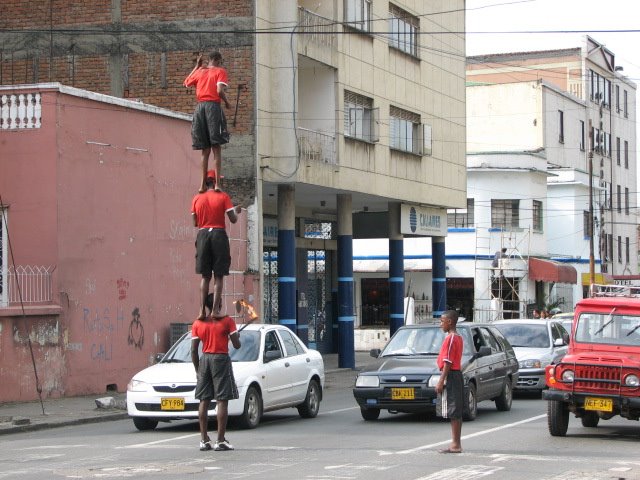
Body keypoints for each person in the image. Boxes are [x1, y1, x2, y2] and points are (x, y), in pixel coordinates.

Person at [191, 293, 241, 451]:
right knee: (222, 400)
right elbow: (237, 345)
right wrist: (235, 335)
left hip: (205, 359)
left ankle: (204, 439)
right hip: (220, 358)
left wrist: (198, 370)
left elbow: (193, 350)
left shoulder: (198, 323)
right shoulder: (227, 321)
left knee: (204, 400)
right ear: (218, 304)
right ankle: (220, 440)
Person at [191, 170, 242, 320]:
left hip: (202, 235)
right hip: (218, 234)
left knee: (205, 276)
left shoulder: (196, 198)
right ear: (214, 182)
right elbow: (233, 219)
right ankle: (214, 310)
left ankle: (201, 311)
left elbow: (195, 222)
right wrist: (236, 211)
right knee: (218, 276)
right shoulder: (223, 197)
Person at [184, 51, 231, 193]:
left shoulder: (200, 71)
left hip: (199, 109)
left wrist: (197, 66)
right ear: (217, 60)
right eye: (220, 61)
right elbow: (219, 91)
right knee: (216, 147)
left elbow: (186, 82)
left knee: (205, 150)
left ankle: (202, 185)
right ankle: (217, 184)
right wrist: (227, 103)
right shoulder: (220, 71)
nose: (221, 63)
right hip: (212, 108)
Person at [435, 310, 464, 454]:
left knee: (453, 410)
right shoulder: (458, 337)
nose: (441, 324)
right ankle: (455, 443)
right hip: (455, 374)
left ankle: (455, 444)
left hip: (451, 375)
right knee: (455, 410)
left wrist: (441, 381)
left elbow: (448, 362)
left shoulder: (451, 338)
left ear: (450, 322)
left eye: (442, 321)